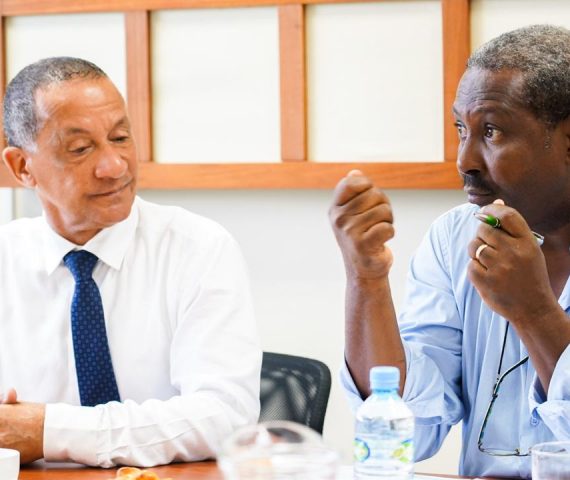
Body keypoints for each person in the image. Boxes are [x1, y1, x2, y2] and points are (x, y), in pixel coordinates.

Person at [329, 24, 570, 478]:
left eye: (491, 131)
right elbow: (411, 429)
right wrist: (366, 279)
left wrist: (535, 313)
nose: (464, 160)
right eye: (462, 129)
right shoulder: (455, 237)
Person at [0, 57, 261, 467]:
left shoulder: (198, 249)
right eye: (81, 149)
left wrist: (50, 431)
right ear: (22, 167)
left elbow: (225, 416)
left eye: (120, 138)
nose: (114, 166)